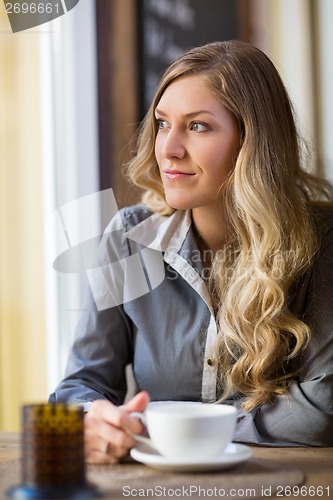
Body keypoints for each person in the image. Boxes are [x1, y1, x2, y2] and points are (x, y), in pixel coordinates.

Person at [49, 40, 333, 463]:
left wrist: (176, 430)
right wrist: (93, 420)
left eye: (197, 126)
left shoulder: (322, 242)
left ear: (251, 141)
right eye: (163, 123)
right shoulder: (128, 240)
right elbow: (80, 387)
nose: (169, 148)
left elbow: (319, 411)